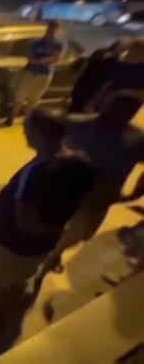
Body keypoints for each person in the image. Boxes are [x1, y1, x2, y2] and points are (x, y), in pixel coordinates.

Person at [0, 109, 95, 331]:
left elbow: (26, 220)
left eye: (27, 129)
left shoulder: (40, 170)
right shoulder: (80, 162)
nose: (24, 133)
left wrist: (42, 230)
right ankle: (8, 305)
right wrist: (55, 231)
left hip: (12, 246)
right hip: (38, 247)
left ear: (41, 133)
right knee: (17, 278)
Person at [45, 91, 144, 273]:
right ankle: (47, 258)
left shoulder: (136, 140)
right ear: (105, 104)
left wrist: (136, 193)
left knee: (81, 235)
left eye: (127, 110)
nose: (118, 112)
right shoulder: (76, 122)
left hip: (96, 201)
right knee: (51, 227)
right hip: (63, 192)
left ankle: (54, 254)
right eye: (115, 106)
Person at [6, 20, 64, 126]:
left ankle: (27, 120)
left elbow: (56, 59)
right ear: (47, 29)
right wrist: (44, 60)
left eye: (54, 31)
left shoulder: (58, 44)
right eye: (50, 30)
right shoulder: (36, 43)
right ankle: (12, 117)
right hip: (30, 72)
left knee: (34, 99)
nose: (51, 33)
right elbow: (31, 59)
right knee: (20, 96)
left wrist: (40, 60)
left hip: (45, 74)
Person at [67, 39, 127, 113]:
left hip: (96, 88)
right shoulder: (101, 52)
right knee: (76, 106)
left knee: (83, 108)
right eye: (122, 48)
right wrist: (107, 57)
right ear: (115, 46)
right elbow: (93, 64)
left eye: (124, 49)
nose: (122, 51)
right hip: (86, 83)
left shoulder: (117, 60)